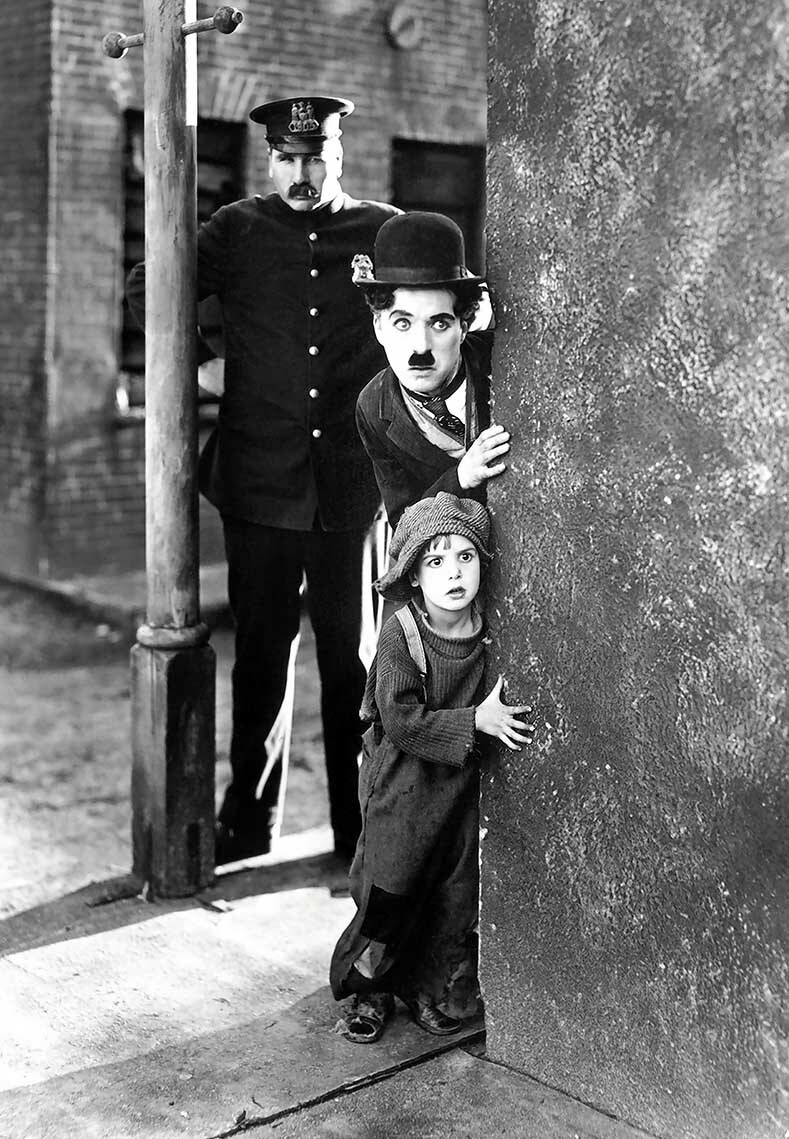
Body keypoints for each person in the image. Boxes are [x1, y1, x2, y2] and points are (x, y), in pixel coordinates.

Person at [127, 96, 401, 864]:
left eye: (316, 157)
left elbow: (446, 299)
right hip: (259, 481)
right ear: (268, 160)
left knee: (352, 664)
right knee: (260, 657)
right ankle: (250, 822)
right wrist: (199, 366)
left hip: (348, 489)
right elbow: (151, 283)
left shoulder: (382, 230)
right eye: (287, 158)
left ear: (340, 155)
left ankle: (358, 829)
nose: (302, 173)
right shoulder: (237, 230)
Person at [329, 492, 533, 1042]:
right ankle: (368, 992)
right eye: (435, 561)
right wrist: (476, 723)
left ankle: (427, 990)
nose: (453, 573)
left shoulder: (488, 625)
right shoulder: (404, 633)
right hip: (402, 786)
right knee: (389, 892)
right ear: (414, 575)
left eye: (465, 557)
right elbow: (399, 718)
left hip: (457, 787)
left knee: (452, 896)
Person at [353, 211, 511, 530]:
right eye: (403, 323)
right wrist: (461, 477)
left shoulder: (503, 361)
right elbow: (404, 521)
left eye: (439, 323)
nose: (421, 347)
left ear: (464, 326)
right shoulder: (373, 407)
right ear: (379, 328)